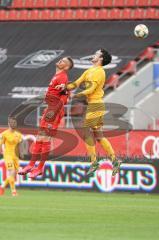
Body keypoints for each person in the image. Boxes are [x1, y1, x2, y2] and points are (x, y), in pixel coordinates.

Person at [56, 49, 121, 176]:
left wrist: (76, 95)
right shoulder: (89, 71)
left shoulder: (100, 72)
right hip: (93, 105)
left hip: (96, 104)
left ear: (101, 58)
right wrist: (65, 87)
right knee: (99, 136)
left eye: (97, 53)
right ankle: (114, 161)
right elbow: (76, 83)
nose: (94, 54)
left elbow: (91, 89)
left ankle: (95, 162)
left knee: (87, 133)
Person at [18, 56, 74, 178]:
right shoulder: (57, 76)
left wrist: (54, 109)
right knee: (39, 138)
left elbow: (65, 97)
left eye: (64, 61)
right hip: (50, 109)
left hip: (54, 111)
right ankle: (31, 165)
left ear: (67, 67)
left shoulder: (63, 77)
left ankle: (40, 168)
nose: (60, 61)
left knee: (45, 139)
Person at [0, 117, 22, 196]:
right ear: (9, 124)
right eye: (11, 123)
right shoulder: (4, 134)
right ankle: (14, 192)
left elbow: (19, 145)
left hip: (15, 156)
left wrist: (20, 154)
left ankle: (2, 187)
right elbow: (1, 143)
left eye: (14, 123)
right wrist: (2, 151)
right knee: (11, 171)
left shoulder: (18, 135)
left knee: (13, 174)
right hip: (8, 155)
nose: (13, 124)